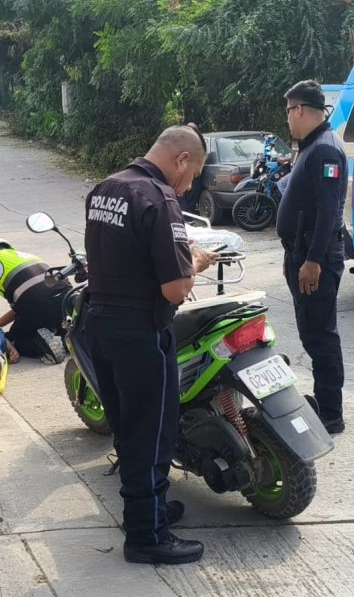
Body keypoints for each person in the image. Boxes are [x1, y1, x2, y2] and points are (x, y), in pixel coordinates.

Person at [83, 123, 218, 565]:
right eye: (192, 174)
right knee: (153, 433)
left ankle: (148, 511)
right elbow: (176, 289)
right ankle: (147, 537)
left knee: (129, 429)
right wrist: (194, 260)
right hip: (140, 329)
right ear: (181, 159)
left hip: (100, 323)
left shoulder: (106, 188)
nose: (189, 185)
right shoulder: (159, 199)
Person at [275, 80, 348, 435]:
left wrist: (313, 260)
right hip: (302, 252)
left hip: (314, 257)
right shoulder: (313, 146)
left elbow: (328, 209)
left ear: (299, 109)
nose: (288, 119)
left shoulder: (324, 150)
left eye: (288, 111)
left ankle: (331, 413)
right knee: (313, 332)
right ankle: (325, 400)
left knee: (320, 335)